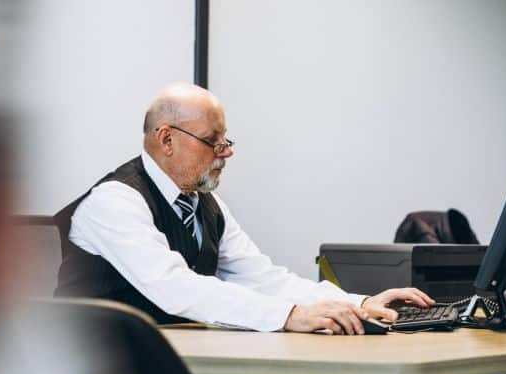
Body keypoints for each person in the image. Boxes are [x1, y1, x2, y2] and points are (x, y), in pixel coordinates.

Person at [54, 82, 435, 336]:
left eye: (226, 140)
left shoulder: (207, 204)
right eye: (211, 141)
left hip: (175, 361)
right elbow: (176, 289)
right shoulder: (114, 201)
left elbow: (262, 278)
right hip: (101, 373)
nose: (226, 152)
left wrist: (358, 304)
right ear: (166, 139)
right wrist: (287, 317)